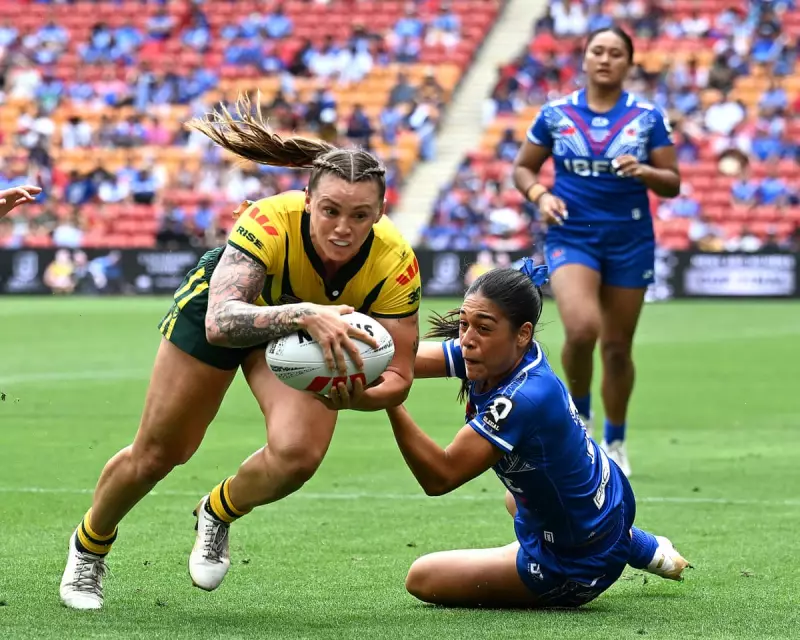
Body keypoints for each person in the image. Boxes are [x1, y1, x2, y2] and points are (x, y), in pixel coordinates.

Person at [59, 95, 422, 610]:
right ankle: (89, 547)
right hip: (227, 313)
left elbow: (400, 378)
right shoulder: (268, 221)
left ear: (380, 213)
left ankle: (218, 511)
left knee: (298, 456)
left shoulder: (395, 262)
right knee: (160, 453)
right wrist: (303, 312)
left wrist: (351, 399)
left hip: (301, 329)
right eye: (330, 211)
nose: (343, 227)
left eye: (361, 215)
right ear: (306, 201)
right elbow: (221, 321)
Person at [387, 260, 689, 608]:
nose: (467, 340)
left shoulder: (522, 398)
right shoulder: (506, 354)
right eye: (464, 325)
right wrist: (361, 358)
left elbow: (440, 476)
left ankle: (609, 551)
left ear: (523, 333)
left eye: (483, 328)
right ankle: (635, 543)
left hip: (576, 564)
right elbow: (405, 359)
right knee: (516, 495)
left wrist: (392, 402)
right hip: (608, 503)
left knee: (422, 577)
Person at [512, 26, 681, 477]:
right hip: (572, 235)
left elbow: (673, 183)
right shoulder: (556, 113)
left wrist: (644, 170)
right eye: (597, 51)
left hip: (629, 240)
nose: (605, 59)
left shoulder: (647, 117)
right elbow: (523, 167)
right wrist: (540, 196)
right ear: (584, 59)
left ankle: (617, 439)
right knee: (583, 330)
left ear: (628, 63)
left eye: (615, 53)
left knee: (617, 349)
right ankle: (580, 424)